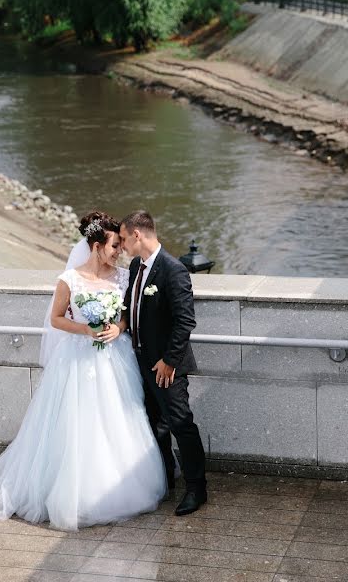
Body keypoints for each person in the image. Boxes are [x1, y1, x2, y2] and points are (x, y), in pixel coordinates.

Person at [0, 211, 166, 531]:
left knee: (117, 418)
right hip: (77, 360)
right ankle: (76, 493)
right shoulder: (69, 280)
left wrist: (118, 327)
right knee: (79, 423)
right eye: (114, 246)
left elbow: (127, 314)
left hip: (115, 360)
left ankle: (119, 483)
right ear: (97, 247)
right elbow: (56, 319)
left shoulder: (123, 277)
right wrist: (86, 331)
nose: (120, 252)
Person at [119, 211, 208, 516]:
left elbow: (185, 321)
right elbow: (132, 306)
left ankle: (197, 488)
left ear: (137, 235)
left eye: (122, 238)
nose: (121, 245)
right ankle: (165, 480)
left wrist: (169, 362)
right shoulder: (135, 266)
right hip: (141, 361)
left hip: (167, 366)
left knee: (181, 423)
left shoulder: (173, 270)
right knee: (154, 425)